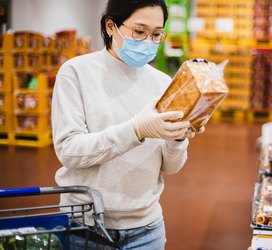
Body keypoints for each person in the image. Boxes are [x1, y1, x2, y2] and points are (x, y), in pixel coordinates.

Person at [51, 0, 203, 249]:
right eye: (139, 31)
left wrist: (177, 138)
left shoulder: (163, 83)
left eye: (156, 34)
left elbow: (171, 167)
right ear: (111, 26)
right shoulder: (76, 73)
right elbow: (69, 150)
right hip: (84, 226)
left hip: (146, 228)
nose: (147, 41)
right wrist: (135, 130)